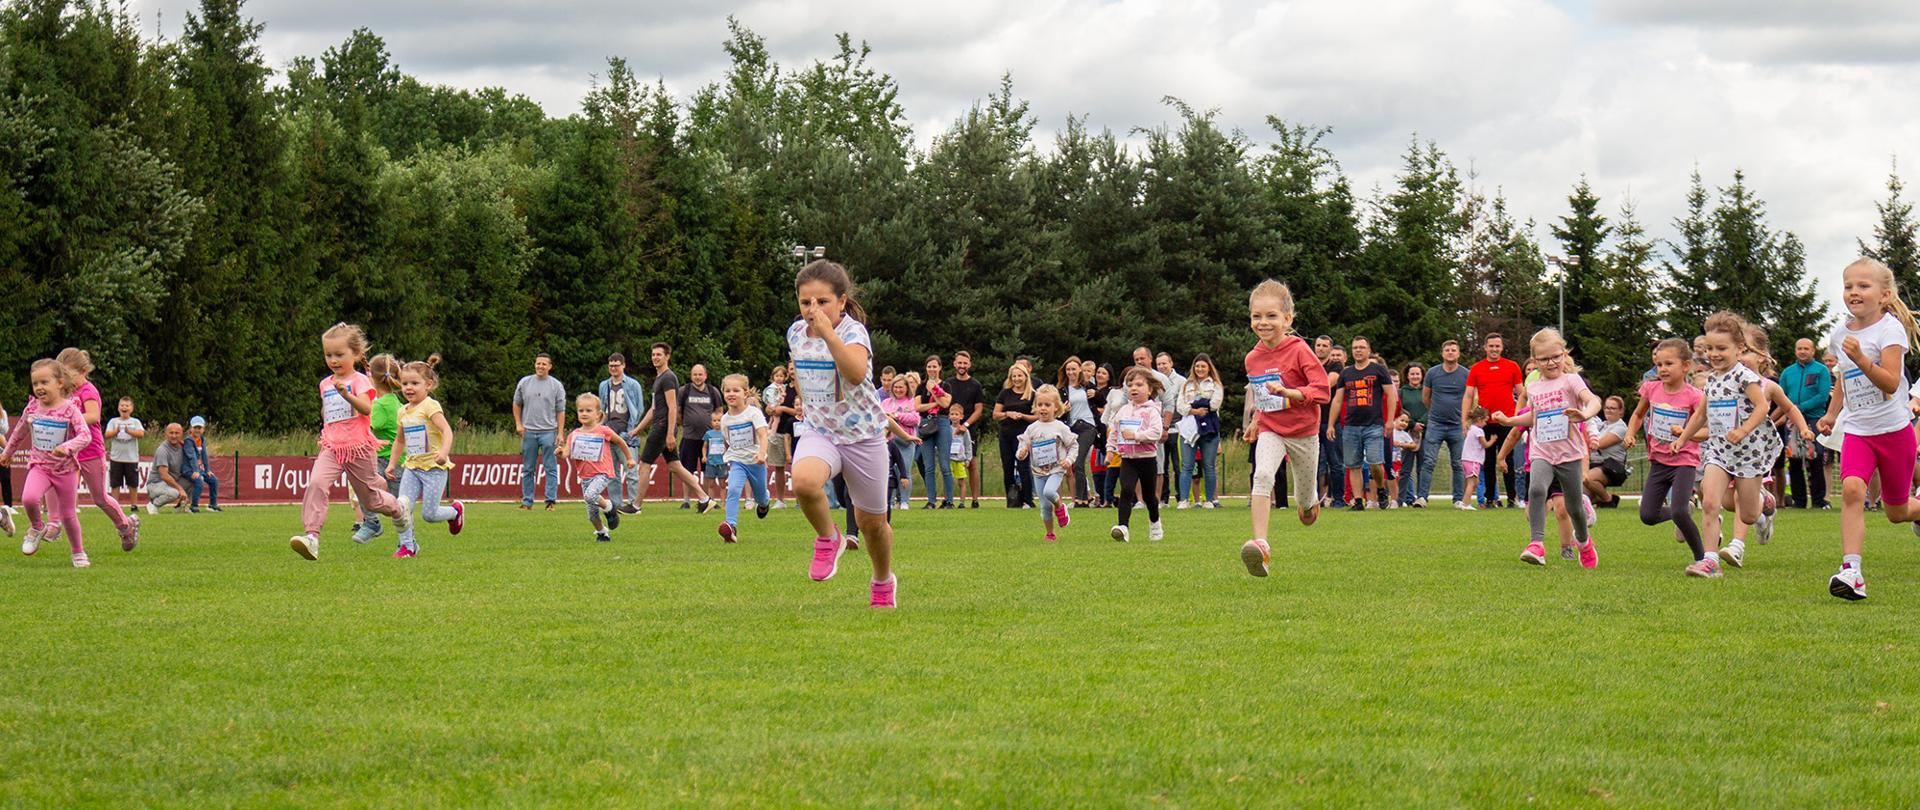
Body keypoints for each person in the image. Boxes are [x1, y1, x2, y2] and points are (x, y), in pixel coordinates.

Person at [787, 260, 899, 608]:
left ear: (841, 301)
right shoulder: (794, 334)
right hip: (822, 432)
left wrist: (828, 333)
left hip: (864, 436)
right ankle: (828, 537)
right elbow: (806, 377)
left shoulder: (853, 333)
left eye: (822, 302)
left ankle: (882, 580)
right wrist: (808, 404)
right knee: (803, 481)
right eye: (806, 303)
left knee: (872, 524)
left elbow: (853, 373)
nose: (813, 310)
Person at [1817, 258, 1920, 600]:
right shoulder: (1840, 335)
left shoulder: (1890, 330)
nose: (1854, 292)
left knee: (1897, 512)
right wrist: (1832, 414)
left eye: (1863, 286)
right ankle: (1852, 571)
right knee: (1851, 490)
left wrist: (1862, 358)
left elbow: (1891, 383)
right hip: (1859, 432)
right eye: (1848, 286)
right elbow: (1844, 381)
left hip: (1894, 432)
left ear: (1885, 294)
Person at [290, 323, 410, 561]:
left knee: (371, 500)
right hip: (333, 448)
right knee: (316, 482)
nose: (333, 360)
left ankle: (398, 508)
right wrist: (326, 433)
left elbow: (366, 409)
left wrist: (347, 394)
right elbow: (329, 414)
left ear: (355, 354)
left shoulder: (360, 381)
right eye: (328, 355)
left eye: (339, 354)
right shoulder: (325, 384)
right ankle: (312, 537)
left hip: (359, 448)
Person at [1673, 312, 1775, 575]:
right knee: (1709, 501)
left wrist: (1743, 430)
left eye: (1721, 348)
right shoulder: (1712, 379)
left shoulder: (1744, 377)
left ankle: (1764, 506)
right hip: (1718, 450)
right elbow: (1700, 415)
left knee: (1749, 515)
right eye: (1709, 349)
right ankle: (1710, 561)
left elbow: (1762, 406)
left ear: (1739, 348)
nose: (1714, 354)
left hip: (1748, 451)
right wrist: (1683, 438)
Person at [1240, 280, 1330, 576]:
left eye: (1271, 316)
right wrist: (1255, 420)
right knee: (1263, 475)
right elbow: (1262, 398)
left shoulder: (1300, 350)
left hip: (1304, 433)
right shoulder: (1252, 359)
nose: (1263, 323)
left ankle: (1310, 501)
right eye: (1256, 316)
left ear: (1287, 319)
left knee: (1306, 513)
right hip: (1272, 429)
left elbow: (1322, 392)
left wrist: (1290, 393)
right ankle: (1261, 546)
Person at [1493, 329, 1602, 568]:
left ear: (1564, 354)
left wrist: (1583, 413)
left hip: (1569, 453)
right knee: (1536, 491)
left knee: (1574, 507)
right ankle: (1536, 544)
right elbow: (1534, 416)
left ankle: (1583, 541)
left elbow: (1594, 401)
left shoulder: (1571, 380)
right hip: (1542, 451)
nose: (1551, 362)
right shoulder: (1533, 388)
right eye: (1544, 359)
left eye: (1555, 356)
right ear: (1534, 361)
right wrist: (1509, 421)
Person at [1626, 339, 1710, 575]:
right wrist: (1631, 433)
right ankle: (1683, 511)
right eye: (1659, 364)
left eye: (1668, 364)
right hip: (1659, 461)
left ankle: (1703, 559)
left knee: (1679, 511)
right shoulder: (1651, 389)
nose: (1662, 369)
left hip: (1684, 461)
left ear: (1685, 366)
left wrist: (1686, 434)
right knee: (1648, 515)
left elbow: (1707, 431)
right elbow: (1638, 414)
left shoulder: (1694, 396)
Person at [0, 359, 94, 567]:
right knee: (29, 498)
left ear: (60, 383)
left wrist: (67, 447)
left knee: (68, 515)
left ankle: (78, 553)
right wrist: (7, 453)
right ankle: (36, 527)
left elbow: (85, 436)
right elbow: (18, 432)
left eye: (44, 382)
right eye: (35, 384)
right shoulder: (32, 408)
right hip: (39, 466)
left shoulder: (71, 409)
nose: (39, 388)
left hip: (65, 470)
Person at [51, 349, 139, 550]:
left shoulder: (88, 391)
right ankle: (53, 524)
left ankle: (126, 526)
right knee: (54, 484)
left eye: (68, 374)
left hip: (90, 451)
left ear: (82, 371)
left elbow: (93, 416)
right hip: (69, 450)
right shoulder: (65, 392)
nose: (63, 379)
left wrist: (68, 418)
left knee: (99, 498)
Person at [383, 355, 464, 558]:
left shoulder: (430, 406)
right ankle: (408, 546)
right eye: (404, 383)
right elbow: (400, 440)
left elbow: (447, 431)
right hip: (412, 468)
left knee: (429, 515)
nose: (409, 388)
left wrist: (443, 454)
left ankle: (455, 512)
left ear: (428, 385)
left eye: (414, 383)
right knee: (402, 508)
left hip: (434, 469)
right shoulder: (402, 411)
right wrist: (392, 464)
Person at [634, 343, 713, 513]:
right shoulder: (659, 378)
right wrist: (637, 429)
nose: (655, 357)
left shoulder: (668, 377)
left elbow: (673, 407)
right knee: (675, 466)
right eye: (653, 354)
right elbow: (654, 409)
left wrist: (670, 433)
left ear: (667, 356)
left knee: (645, 463)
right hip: (660, 425)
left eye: (659, 355)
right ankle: (705, 498)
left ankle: (636, 505)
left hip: (662, 427)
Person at [1327, 336, 1397, 510]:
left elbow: (1391, 395)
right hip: (1350, 426)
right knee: (1353, 465)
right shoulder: (1346, 373)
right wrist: (1330, 424)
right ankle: (1358, 501)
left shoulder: (1379, 370)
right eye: (1355, 347)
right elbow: (1337, 400)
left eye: (1361, 347)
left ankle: (1380, 489)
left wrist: (1389, 421)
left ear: (1368, 349)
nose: (1358, 350)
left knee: (1375, 462)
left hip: (1374, 425)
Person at [559, 393, 632, 543]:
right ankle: (602, 533)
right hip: (585, 477)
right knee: (591, 514)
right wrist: (560, 452)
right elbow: (566, 453)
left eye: (588, 410)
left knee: (590, 495)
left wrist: (629, 458)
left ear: (598, 414)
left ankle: (609, 507)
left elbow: (620, 442)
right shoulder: (574, 434)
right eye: (581, 411)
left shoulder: (603, 431)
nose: (584, 413)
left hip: (602, 473)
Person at [1463, 333, 1524, 508]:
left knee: (1508, 459)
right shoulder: (1476, 368)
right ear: (1485, 347)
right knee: (1487, 461)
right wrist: (1464, 420)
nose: (1494, 349)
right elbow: (1468, 395)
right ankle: (1490, 498)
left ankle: (1513, 498)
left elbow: (1521, 393)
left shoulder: (1512, 366)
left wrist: (1519, 417)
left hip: (1507, 420)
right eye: (1491, 346)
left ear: (1502, 347)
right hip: (1484, 423)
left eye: (1497, 346)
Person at [1106, 367, 1167, 543]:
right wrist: (1110, 451)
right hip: (1128, 460)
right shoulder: (1123, 411)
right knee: (1126, 490)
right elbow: (1114, 434)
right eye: (1130, 385)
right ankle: (1123, 528)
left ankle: (1155, 523)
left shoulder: (1152, 411)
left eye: (1139, 385)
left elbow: (1156, 433)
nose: (1134, 388)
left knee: (1149, 497)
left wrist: (1137, 436)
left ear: (1149, 389)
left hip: (1147, 459)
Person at [715, 373, 771, 543]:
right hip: (737, 461)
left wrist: (762, 453)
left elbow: (763, 435)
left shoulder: (753, 413)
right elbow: (728, 442)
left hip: (756, 461)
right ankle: (731, 526)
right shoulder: (725, 420)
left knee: (760, 497)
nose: (731, 394)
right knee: (733, 489)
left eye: (736, 390)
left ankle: (764, 502)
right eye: (727, 391)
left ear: (745, 393)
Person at [1018, 385, 1078, 542]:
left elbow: (1073, 445)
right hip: (1038, 472)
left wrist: (1069, 460)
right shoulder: (1032, 428)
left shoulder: (1060, 427)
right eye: (1039, 405)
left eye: (1047, 405)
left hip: (1056, 469)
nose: (1043, 408)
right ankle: (1050, 533)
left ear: (1056, 407)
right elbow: (1023, 445)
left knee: (1049, 492)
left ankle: (1060, 507)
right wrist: (1022, 452)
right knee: (1044, 506)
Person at [1780, 337, 1832, 509]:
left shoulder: (1821, 370)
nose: (1802, 351)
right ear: (1795, 351)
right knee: (1794, 460)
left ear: (1813, 351)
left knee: (1815, 459)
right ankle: (1799, 500)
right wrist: (1791, 411)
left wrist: (1799, 408)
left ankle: (1818, 500)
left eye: (1806, 349)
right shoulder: (1787, 372)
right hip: (1792, 421)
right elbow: (1781, 395)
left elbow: (1822, 396)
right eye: (1799, 348)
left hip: (1814, 419)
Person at [512, 353, 567, 511]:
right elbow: (516, 404)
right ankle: (527, 501)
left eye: (544, 364)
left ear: (550, 366)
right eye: (538, 363)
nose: (540, 366)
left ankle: (550, 501)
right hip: (528, 431)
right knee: (528, 468)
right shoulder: (524, 382)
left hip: (548, 432)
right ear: (534, 364)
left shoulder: (556, 385)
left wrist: (560, 433)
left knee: (550, 467)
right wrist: (518, 424)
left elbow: (561, 411)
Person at [599, 353, 647, 513]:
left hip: (627, 435)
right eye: (611, 365)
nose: (613, 368)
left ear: (623, 365)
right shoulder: (604, 385)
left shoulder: (633, 384)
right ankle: (616, 504)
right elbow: (602, 410)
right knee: (611, 474)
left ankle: (634, 504)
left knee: (631, 471)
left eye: (616, 365)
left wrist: (632, 430)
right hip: (609, 434)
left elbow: (639, 409)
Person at [1177, 355, 1226, 509]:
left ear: (1209, 368)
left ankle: (1209, 500)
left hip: (1209, 427)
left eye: (1203, 366)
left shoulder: (1215, 384)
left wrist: (1198, 406)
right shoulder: (1186, 385)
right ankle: (1184, 500)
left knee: (1209, 465)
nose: (1200, 369)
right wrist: (1194, 410)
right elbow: (1180, 406)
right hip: (1189, 428)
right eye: (1197, 366)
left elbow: (1215, 404)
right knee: (1187, 465)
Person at [945, 351, 987, 509]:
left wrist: (966, 425)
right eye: (959, 363)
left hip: (968, 429)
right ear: (954, 364)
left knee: (972, 463)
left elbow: (978, 409)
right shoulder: (948, 384)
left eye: (965, 363)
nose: (962, 366)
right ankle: (949, 499)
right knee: (947, 464)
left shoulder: (975, 385)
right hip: (949, 429)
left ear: (969, 364)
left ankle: (975, 499)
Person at [677, 364, 723, 508]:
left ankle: (708, 499)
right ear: (691, 376)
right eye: (695, 374)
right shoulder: (684, 391)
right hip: (689, 437)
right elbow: (678, 411)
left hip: (709, 439)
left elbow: (719, 410)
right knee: (687, 470)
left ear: (705, 375)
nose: (697, 377)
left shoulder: (712, 391)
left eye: (700, 374)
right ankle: (686, 500)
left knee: (708, 472)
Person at [995, 363, 1038, 508]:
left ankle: (1028, 499)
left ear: (1026, 377)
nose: (1017, 379)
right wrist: (1008, 413)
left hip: (1023, 436)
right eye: (1014, 376)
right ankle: (1012, 499)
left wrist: (1022, 416)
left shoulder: (1033, 394)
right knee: (1007, 467)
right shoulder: (1005, 393)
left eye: (1020, 375)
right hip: (1006, 434)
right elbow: (995, 414)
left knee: (1023, 466)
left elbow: (1037, 416)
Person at [1061, 359, 1098, 508]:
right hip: (1071, 428)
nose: (1071, 372)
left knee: (1078, 460)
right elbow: (1057, 412)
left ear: (1080, 370)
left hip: (1088, 426)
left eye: (1074, 369)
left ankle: (1081, 499)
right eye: (1068, 370)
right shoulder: (1062, 389)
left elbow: (1101, 402)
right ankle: (1081, 498)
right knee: (1075, 464)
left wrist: (1096, 394)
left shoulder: (1088, 386)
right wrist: (1063, 410)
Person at [1584, 396, 1630, 509]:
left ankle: (1608, 499)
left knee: (1586, 478)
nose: (1608, 410)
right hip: (1595, 465)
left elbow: (1598, 444)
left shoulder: (1621, 428)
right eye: (1606, 408)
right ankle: (1598, 497)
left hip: (1612, 468)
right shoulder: (1602, 425)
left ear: (1621, 411)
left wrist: (1584, 440)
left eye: (1612, 408)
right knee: (1582, 498)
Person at [1317, 343, 1348, 507]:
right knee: (1313, 463)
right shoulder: (1311, 363)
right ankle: (1313, 499)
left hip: (1331, 422)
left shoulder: (1335, 365)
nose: (1320, 348)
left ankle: (1338, 498)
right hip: (1313, 423)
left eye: (1324, 346)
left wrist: (1309, 388)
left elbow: (1327, 384)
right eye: (1318, 345)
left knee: (1335, 462)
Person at [883, 376, 921, 509]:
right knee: (890, 471)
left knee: (904, 470)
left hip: (906, 441)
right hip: (889, 441)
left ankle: (904, 501)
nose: (898, 390)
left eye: (901, 387)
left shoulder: (911, 402)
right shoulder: (886, 402)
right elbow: (882, 418)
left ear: (907, 388)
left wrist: (897, 416)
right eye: (896, 387)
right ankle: (891, 501)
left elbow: (915, 419)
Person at [105, 397, 144, 512]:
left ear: (131, 408)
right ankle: (115, 505)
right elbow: (107, 435)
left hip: (131, 458)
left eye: (127, 406)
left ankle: (134, 505)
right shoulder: (113, 421)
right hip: (116, 457)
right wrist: (115, 432)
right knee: (115, 483)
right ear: (118, 408)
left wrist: (129, 431)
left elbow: (141, 434)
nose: (124, 408)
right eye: (122, 405)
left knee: (132, 483)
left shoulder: (135, 422)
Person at [762, 364, 792, 509]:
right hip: (778, 431)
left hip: (796, 431)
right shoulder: (772, 390)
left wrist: (784, 409)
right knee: (779, 467)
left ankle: (802, 501)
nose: (779, 378)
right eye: (777, 375)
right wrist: (770, 410)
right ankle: (780, 500)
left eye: (782, 375)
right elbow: (769, 409)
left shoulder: (795, 389)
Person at [1397, 363, 1428, 506]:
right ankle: (1400, 499)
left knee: (1423, 467)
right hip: (1407, 434)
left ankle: (1421, 498)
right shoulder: (1402, 391)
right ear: (1407, 376)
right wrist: (1412, 424)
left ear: (1422, 375)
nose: (1415, 376)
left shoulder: (1427, 391)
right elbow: (1399, 409)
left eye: (1418, 374)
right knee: (1405, 469)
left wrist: (1421, 423)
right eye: (1412, 374)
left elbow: (1432, 407)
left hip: (1425, 432)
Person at [145, 424, 189, 515]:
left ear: (182, 435)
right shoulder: (162, 450)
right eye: (171, 433)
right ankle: (153, 504)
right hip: (156, 484)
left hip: (172, 482)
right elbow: (164, 475)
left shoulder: (183, 447)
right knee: (174, 493)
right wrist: (180, 489)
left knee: (195, 481)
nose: (174, 436)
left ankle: (181, 506)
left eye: (177, 433)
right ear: (166, 434)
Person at [185, 416, 222, 514]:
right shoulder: (188, 441)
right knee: (199, 480)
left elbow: (204, 455)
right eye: (195, 427)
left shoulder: (202, 440)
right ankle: (193, 506)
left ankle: (213, 505)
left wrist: (207, 470)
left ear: (203, 429)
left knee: (214, 480)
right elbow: (191, 457)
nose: (197, 430)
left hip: (198, 469)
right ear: (190, 428)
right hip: (188, 469)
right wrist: (196, 471)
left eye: (199, 428)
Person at [1461, 408, 1492, 510]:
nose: (1485, 424)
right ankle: (1466, 504)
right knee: (1472, 483)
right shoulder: (1479, 431)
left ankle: (1464, 501)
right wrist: (1493, 440)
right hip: (1473, 459)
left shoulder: (1471, 429)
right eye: (1485, 421)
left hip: (1466, 459)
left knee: (1474, 481)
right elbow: (1485, 444)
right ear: (1479, 419)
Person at [948, 403, 975, 499]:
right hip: (949, 459)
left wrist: (968, 459)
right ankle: (948, 500)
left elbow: (968, 445)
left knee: (961, 482)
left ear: (961, 416)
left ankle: (962, 502)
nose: (954, 417)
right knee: (948, 480)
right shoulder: (947, 429)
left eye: (956, 414)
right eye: (952, 414)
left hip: (960, 459)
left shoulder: (964, 431)